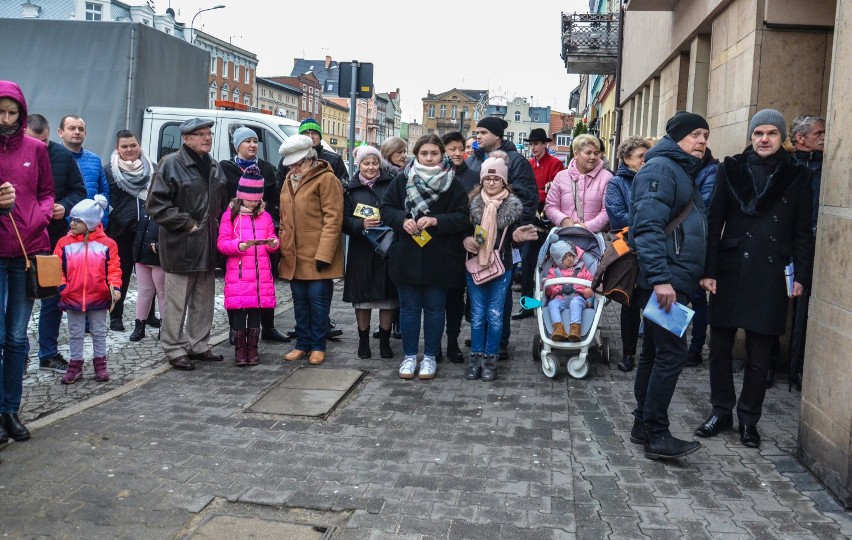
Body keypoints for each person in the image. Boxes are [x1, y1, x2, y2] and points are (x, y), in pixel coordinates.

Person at [695, 109, 814, 449]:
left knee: (761, 354)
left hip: (773, 272)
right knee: (719, 347)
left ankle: (749, 419)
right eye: (758, 133)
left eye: (771, 133)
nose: (764, 139)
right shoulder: (729, 169)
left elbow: (803, 231)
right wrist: (709, 271)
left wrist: (800, 276)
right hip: (730, 270)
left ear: (782, 138)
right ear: (751, 136)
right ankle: (721, 411)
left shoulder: (798, 175)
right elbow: (714, 222)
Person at [629, 110, 710, 460]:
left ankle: (642, 425)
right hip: (667, 279)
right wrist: (661, 279)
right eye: (695, 135)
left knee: (654, 352)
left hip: (675, 277)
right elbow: (646, 227)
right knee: (672, 353)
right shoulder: (662, 169)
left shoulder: (679, 170)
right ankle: (657, 435)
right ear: (677, 138)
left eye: (706, 136)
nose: (703, 142)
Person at [381, 134, 470, 380]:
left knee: (434, 310)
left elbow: (464, 217)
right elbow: (386, 209)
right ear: (416, 154)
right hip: (407, 255)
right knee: (409, 310)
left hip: (440, 258)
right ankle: (410, 356)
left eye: (434, 153)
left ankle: (430, 356)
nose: (429, 158)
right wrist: (403, 220)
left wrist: (437, 220)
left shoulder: (454, 183)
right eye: (424, 153)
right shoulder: (402, 180)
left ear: (442, 154)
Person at [147, 118, 228, 371]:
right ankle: (173, 347)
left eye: (208, 134)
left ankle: (199, 344)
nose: (207, 138)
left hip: (208, 243)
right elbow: (156, 204)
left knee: (203, 300)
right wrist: (187, 223)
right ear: (186, 138)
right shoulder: (170, 164)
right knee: (176, 301)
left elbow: (220, 203)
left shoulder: (214, 165)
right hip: (181, 243)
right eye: (200, 134)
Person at [0, 81, 53, 444]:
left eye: (11, 112)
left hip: (26, 253)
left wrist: (40, 216)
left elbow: (48, 192)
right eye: (0, 113)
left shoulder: (36, 149)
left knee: (17, 337)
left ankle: (10, 410)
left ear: (21, 112)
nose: (5, 119)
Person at [466, 116, 538, 360]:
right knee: (478, 285)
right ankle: (482, 336)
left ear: (497, 136)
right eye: (477, 132)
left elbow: (528, 199)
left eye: (484, 132)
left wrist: (510, 228)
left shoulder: (517, 161)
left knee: (501, 290)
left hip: (506, 239)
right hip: (478, 240)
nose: (478, 136)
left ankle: (500, 339)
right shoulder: (474, 159)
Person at [25, 114, 86, 373]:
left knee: (51, 298)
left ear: (50, 135)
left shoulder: (62, 156)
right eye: (33, 142)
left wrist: (65, 206)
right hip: (19, 239)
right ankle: (18, 354)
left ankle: (47, 353)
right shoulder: (11, 155)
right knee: (16, 300)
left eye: (44, 142)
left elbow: (79, 190)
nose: (39, 147)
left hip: (53, 238)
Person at [278, 134, 345, 366]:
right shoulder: (289, 179)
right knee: (299, 301)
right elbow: (285, 219)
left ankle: (318, 345)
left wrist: (324, 254)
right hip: (294, 254)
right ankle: (302, 343)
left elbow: (333, 219)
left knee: (317, 302)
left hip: (317, 254)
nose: (294, 167)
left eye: (298, 163)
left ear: (310, 158)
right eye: (291, 163)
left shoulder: (326, 180)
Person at [219, 126, 290, 344]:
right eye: (247, 141)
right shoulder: (225, 168)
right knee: (237, 283)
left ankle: (267, 326)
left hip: (262, 229)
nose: (252, 145)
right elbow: (221, 198)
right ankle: (235, 328)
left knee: (264, 280)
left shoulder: (267, 169)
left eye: (255, 141)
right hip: (236, 231)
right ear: (237, 145)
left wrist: (273, 227)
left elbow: (274, 199)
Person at [463, 151, 527, 381]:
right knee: (478, 314)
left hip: (502, 266)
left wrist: (517, 237)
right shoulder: (472, 204)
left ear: (504, 181)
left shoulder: (512, 207)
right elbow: (462, 230)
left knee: (495, 314)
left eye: (496, 178)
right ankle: (476, 357)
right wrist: (465, 239)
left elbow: (515, 236)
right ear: (481, 180)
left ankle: (491, 358)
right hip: (476, 265)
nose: (491, 182)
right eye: (487, 178)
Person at [55, 195, 121, 384]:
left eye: (78, 220)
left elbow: (114, 268)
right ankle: (75, 363)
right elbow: (57, 267)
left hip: (99, 295)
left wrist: (114, 287)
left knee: (98, 331)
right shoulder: (64, 243)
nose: (72, 223)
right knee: (75, 332)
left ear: (91, 223)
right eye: (72, 219)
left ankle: (100, 363)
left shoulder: (107, 244)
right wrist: (62, 286)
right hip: (72, 295)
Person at [217, 165, 279, 366]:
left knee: (255, 312)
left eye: (256, 199)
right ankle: (239, 350)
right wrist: (237, 246)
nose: (253, 202)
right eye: (249, 198)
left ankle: (252, 349)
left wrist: (273, 243)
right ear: (241, 196)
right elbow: (222, 243)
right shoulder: (230, 216)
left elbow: (272, 240)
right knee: (239, 312)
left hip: (260, 274)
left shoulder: (266, 216)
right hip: (239, 275)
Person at [342, 145, 397, 360]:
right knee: (362, 299)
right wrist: (361, 225)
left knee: (387, 299)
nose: (371, 167)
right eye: (366, 163)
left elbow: (399, 209)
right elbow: (343, 221)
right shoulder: (351, 189)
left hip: (387, 250)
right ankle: (363, 341)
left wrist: (389, 219)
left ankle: (384, 342)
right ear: (359, 165)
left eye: (375, 163)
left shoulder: (391, 184)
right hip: (361, 251)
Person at [104, 130, 160, 335]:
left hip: (147, 230)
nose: (129, 150)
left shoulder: (153, 169)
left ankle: (149, 314)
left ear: (139, 145)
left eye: (133, 145)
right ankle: (115, 315)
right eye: (124, 146)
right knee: (121, 274)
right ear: (117, 149)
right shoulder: (108, 171)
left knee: (151, 275)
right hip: (121, 231)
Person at [605, 135, 651, 372]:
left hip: (653, 248)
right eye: (640, 156)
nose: (645, 160)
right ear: (626, 159)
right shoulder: (617, 183)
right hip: (630, 249)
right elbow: (617, 215)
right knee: (630, 303)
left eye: (647, 155)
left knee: (653, 302)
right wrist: (649, 221)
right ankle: (629, 353)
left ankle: (652, 353)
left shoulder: (655, 179)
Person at [788, 114, 825, 390]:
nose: (824, 137)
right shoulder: (788, 166)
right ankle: (769, 364)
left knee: (804, 307)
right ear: (800, 138)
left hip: (813, 244)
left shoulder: (828, 166)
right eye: (819, 133)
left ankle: (797, 367)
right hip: (785, 244)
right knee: (777, 304)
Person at [513, 128, 565, 321]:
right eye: (531, 144)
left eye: (537, 144)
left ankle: (549, 304)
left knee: (550, 265)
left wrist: (537, 195)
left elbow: (556, 190)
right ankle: (528, 306)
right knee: (527, 263)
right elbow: (522, 190)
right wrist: (537, 195)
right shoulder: (527, 164)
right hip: (531, 220)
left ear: (545, 144)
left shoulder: (556, 163)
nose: (533, 147)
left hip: (549, 219)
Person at [438, 131, 480, 363]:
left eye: (459, 148)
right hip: (440, 243)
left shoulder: (473, 176)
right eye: (451, 148)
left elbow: (477, 211)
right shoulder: (436, 174)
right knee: (438, 299)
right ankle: (436, 343)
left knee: (457, 298)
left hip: (464, 244)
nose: (455, 153)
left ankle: (453, 342)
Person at [684, 147, 718, 367]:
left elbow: (703, 206)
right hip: (678, 242)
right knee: (675, 298)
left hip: (697, 241)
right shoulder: (678, 167)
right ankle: (672, 346)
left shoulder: (711, 171)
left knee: (696, 298)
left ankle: (695, 349)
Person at [544, 134, 612, 234]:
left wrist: (587, 227)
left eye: (596, 153)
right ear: (576, 154)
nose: (593, 157)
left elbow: (608, 210)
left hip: (594, 237)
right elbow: (550, 206)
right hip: (565, 235)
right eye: (588, 153)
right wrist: (564, 221)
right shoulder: (561, 177)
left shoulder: (607, 178)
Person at [57, 115, 110, 229]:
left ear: (85, 133)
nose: (77, 132)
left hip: (91, 229)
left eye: (81, 129)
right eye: (72, 128)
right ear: (60, 132)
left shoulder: (94, 160)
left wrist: (102, 221)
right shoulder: (53, 158)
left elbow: (104, 193)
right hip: (62, 227)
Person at [129, 190, 164, 342]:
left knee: (163, 293)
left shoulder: (166, 210)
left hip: (159, 258)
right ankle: (139, 326)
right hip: (142, 255)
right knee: (144, 292)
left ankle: (165, 328)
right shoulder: (144, 208)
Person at [544, 240, 594, 342]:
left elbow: (591, 281)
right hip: (560, 298)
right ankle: (558, 328)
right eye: (565, 258)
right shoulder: (553, 272)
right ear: (558, 261)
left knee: (575, 303)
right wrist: (547, 287)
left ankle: (575, 328)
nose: (569, 259)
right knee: (552, 304)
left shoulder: (581, 268)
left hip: (578, 297)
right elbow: (549, 292)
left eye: (570, 255)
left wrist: (590, 290)